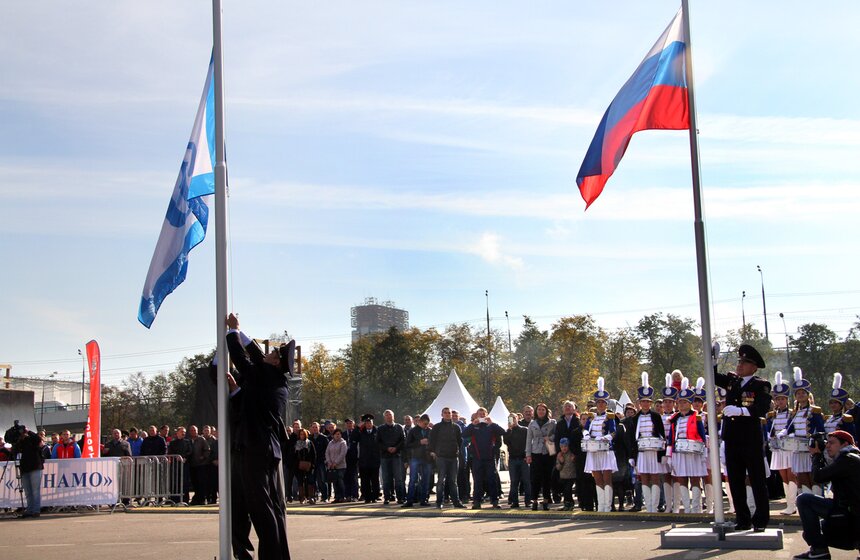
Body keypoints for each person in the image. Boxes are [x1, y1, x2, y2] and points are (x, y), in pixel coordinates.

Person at [225, 312, 292, 560]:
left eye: (273, 354)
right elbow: (256, 357)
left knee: (261, 510)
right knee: (270, 508)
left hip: (256, 449)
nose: (268, 353)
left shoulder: (266, 375)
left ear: (275, 363)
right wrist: (236, 392)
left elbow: (243, 361)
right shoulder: (275, 380)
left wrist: (233, 332)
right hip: (264, 449)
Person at [713, 343, 773, 531]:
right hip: (732, 438)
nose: (739, 365)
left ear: (754, 367)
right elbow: (714, 376)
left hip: (750, 439)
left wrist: (741, 411)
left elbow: (762, 408)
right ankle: (743, 519)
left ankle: (761, 520)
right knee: (736, 481)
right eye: (739, 361)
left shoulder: (760, 385)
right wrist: (713, 360)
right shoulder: (733, 382)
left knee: (756, 480)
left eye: (744, 362)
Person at [793, 430, 860, 560]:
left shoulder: (847, 459)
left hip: (851, 515)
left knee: (804, 500)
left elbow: (818, 477)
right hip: (852, 513)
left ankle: (819, 550)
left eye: (832, 443)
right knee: (818, 527)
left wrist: (817, 455)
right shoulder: (852, 458)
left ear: (845, 444)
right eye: (826, 443)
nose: (827, 446)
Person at [623, 373, 667, 513]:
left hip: (654, 452)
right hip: (641, 452)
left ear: (651, 403)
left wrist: (663, 453)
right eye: (643, 401)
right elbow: (631, 439)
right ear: (639, 403)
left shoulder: (656, 416)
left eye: (648, 401)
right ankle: (648, 506)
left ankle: (654, 506)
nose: (646, 404)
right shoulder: (634, 419)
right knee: (644, 477)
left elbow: (662, 435)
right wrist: (631, 456)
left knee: (655, 477)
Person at [667, 378, 707, 513]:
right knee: (681, 479)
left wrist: (703, 451)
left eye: (684, 402)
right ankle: (687, 508)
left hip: (693, 452)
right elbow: (671, 437)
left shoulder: (696, 417)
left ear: (690, 403)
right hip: (679, 452)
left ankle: (697, 508)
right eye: (679, 402)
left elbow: (702, 435)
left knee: (695, 479)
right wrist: (669, 454)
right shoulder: (675, 418)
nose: (681, 405)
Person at [784, 367, 826, 497]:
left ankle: (818, 502)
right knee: (801, 478)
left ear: (808, 395)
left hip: (811, 449)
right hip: (798, 449)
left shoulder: (815, 410)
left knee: (813, 476)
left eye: (803, 393)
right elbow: (789, 428)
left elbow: (821, 430)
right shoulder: (795, 413)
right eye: (798, 393)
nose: (800, 395)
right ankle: (807, 504)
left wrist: (816, 444)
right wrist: (785, 434)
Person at [583, 377, 618, 512]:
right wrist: (586, 435)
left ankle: (608, 506)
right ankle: (601, 506)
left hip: (606, 449)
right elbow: (586, 428)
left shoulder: (610, 416)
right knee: (597, 478)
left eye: (603, 403)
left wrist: (605, 438)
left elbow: (614, 432)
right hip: (593, 449)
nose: (601, 405)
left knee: (607, 478)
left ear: (606, 404)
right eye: (599, 402)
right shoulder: (591, 416)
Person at [462, 407, 506, 509]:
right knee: (478, 481)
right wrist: (473, 424)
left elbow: (503, 432)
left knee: (492, 480)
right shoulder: (473, 427)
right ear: (476, 415)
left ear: (486, 414)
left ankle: (494, 501)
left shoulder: (491, 426)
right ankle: (477, 502)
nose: (481, 415)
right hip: (477, 458)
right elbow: (463, 434)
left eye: (483, 413)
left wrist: (492, 423)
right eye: (479, 413)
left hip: (490, 458)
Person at [767, 371, 797, 515]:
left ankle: (792, 504)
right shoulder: (773, 415)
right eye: (777, 399)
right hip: (778, 448)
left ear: (787, 400)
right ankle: (789, 503)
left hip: (789, 446)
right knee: (782, 475)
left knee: (791, 474)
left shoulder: (792, 413)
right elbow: (769, 429)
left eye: (782, 399)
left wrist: (787, 434)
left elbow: (793, 428)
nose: (779, 402)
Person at [429, 407, 466, 509]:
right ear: (442, 414)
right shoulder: (436, 427)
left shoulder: (456, 427)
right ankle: (439, 502)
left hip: (453, 457)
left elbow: (460, 441)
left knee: (453, 481)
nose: (447, 414)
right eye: (445, 413)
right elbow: (432, 440)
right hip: (441, 457)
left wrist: (457, 452)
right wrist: (433, 452)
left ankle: (456, 502)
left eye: (448, 413)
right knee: (441, 481)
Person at [526, 403, 557, 511]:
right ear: (536, 411)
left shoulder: (552, 422)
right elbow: (529, 440)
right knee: (535, 478)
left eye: (543, 410)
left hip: (548, 452)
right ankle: (534, 500)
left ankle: (546, 500)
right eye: (539, 409)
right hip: (536, 452)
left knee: (547, 478)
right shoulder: (532, 423)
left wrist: (549, 438)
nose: (541, 411)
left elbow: (556, 435)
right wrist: (528, 454)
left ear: (546, 411)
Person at [11, 426, 45, 518]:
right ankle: (30, 510)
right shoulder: (21, 442)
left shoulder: (33, 439)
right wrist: (18, 439)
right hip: (25, 468)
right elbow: (14, 450)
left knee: (35, 491)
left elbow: (38, 439)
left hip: (35, 467)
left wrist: (28, 431)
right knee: (28, 492)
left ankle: (36, 510)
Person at [403, 414, 433, 507]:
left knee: (425, 480)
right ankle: (409, 501)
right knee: (413, 480)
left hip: (427, 458)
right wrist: (419, 442)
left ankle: (423, 500)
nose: (426, 425)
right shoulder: (413, 431)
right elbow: (407, 445)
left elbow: (434, 443)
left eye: (427, 424)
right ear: (419, 422)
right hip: (415, 457)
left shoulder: (430, 431)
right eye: (424, 423)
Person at [378, 409, 406, 505]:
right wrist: (387, 448)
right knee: (386, 478)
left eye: (390, 415)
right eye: (386, 415)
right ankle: (387, 497)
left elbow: (403, 440)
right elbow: (377, 442)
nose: (388, 416)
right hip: (385, 456)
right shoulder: (380, 428)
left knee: (398, 478)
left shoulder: (399, 427)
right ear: (384, 417)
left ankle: (400, 498)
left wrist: (395, 448)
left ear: (393, 416)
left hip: (396, 456)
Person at [504, 412, 531, 508]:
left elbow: (529, 443)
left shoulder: (524, 430)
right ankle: (515, 501)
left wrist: (528, 455)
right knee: (514, 481)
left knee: (526, 480)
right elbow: (506, 441)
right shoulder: (508, 431)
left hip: (523, 458)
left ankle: (528, 501)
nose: (512, 420)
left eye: (514, 418)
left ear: (518, 419)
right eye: (510, 419)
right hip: (513, 459)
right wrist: (509, 430)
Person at [358, 413, 381, 503]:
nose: (368, 424)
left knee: (375, 480)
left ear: (372, 423)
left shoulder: (377, 431)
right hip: (364, 460)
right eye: (366, 423)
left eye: (370, 422)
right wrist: (358, 427)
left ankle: (375, 496)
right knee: (365, 480)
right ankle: (367, 497)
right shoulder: (360, 432)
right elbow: (354, 438)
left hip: (374, 460)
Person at [325, 428, 348, 503]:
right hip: (331, 466)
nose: (337, 435)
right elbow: (327, 453)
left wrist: (336, 462)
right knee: (335, 482)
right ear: (333, 435)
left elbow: (342, 454)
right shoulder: (330, 443)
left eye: (339, 434)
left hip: (341, 466)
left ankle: (342, 496)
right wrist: (329, 462)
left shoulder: (343, 443)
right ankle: (337, 497)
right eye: (336, 434)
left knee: (340, 481)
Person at [555, 437, 578, 510]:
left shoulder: (571, 454)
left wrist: (574, 460)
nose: (564, 448)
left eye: (565, 446)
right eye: (562, 447)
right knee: (565, 491)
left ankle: (570, 503)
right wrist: (561, 462)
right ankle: (566, 504)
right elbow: (558, 467)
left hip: (571, 476)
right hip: (563, 476)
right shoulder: (560, 455)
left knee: (568, 490)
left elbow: (576, 465)